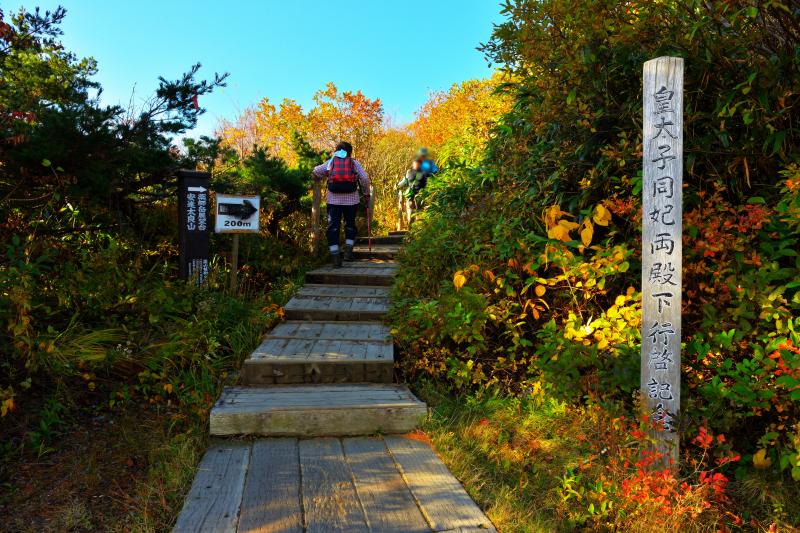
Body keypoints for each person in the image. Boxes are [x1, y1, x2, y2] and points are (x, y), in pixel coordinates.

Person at [312, 141, 371, 268]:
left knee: (333, 227)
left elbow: (316, 171)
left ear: (337, 151)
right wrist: (366, 194)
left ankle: (335, 258)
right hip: (351, 200)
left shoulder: (331, 162)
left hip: (333, 201)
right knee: (350, 225)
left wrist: (319, 178)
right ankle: (348, 253)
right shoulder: (354, 163)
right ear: (350, 152)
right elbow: (365, 178)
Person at [397, 148, 437, 225]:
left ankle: (411, 228)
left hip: (411, 196)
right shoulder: (426, 172)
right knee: (422, 212)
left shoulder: (409, 172)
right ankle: (421, 227)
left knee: (411, 211)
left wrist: (397, 186)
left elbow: (403, 182)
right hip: (422, 196)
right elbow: (431, 180)